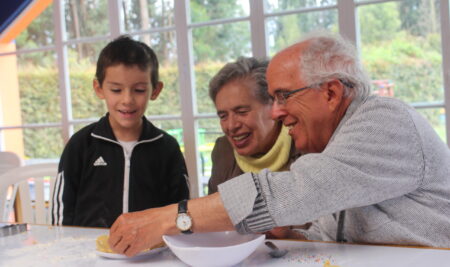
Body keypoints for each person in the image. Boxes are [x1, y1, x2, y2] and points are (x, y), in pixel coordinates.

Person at [108, 31, 450, 257]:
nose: (276, 111)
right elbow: (335, 232)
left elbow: (295, 189)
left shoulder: (384, 120)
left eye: (283, 96)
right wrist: (294, 236)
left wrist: (173, 217)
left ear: (330, 93)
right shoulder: (335, 142)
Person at [51, 35, 190, 228]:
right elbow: (62, 212)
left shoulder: (167, 148)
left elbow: (181, 210)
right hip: (86, 253)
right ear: (99, 89)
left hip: (151, 254)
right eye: (116, 90)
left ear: (155, 90)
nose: (127, 100)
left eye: (139, 90)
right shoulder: (80, 144)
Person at [208, 57, 299, 194]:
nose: (231, 126)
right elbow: (214, 211)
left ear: (274, 105)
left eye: (241, 112)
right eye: (223, 116)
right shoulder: (223, 150)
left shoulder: (304, 143)